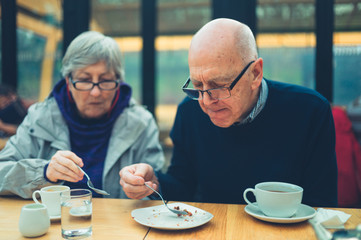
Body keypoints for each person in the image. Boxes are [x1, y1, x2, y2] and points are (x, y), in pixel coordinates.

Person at [119, 18, 338, 207]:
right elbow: (183, 187)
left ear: (255, 73)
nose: (205, 101)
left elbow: (322, 205)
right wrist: (153, 182)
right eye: (197, 85)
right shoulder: (189, 112)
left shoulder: (310, 111)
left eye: (218, 86)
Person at [0, 31, 164, 199]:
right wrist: (43, 172)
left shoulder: (142, 123)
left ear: (118, 83)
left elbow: (159, 190)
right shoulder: (40, 119)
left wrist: (147, 187)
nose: (95, 92)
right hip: (52, 224)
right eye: (85, 80)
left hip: (119, 224)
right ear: (68, 82)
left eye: (105, 80)